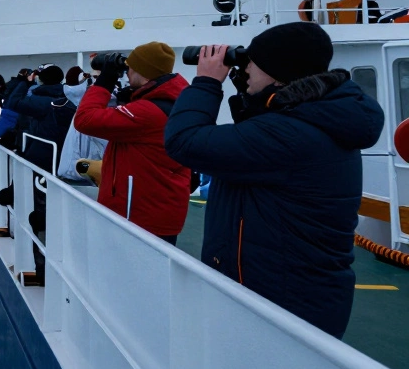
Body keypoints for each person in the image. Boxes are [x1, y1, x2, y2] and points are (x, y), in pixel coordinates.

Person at [164, 23, 384, 338]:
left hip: (283, 302)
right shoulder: (310, 118)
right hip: (283, 292)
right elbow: (251, 135)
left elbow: (184, 141)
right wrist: (250, 90)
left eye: (253, 62)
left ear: (279, 73)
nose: (246, 67)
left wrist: (206, 82)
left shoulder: (290, 135)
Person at [74, 42, 191, 242]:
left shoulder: (148, 112)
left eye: (130, 68)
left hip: (139, 215)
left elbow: (84, 120)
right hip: (155, 210)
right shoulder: (176, 101)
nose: (127, 73)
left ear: (142, 71)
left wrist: (105, 81)